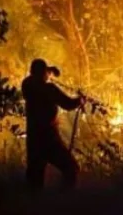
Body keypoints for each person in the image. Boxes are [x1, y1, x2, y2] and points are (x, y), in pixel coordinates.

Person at [21, 59, 85, 189]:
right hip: (48, 139)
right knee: (71, 168)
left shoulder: (27, 86)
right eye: (46, 72)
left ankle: (34, 206)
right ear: (42, 73)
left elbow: (34, 78)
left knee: (34, 179)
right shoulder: (49, 89)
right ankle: (64, 200)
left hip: (33, 138)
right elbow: (68, 104)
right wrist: (80, 100)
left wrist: (49, 70)